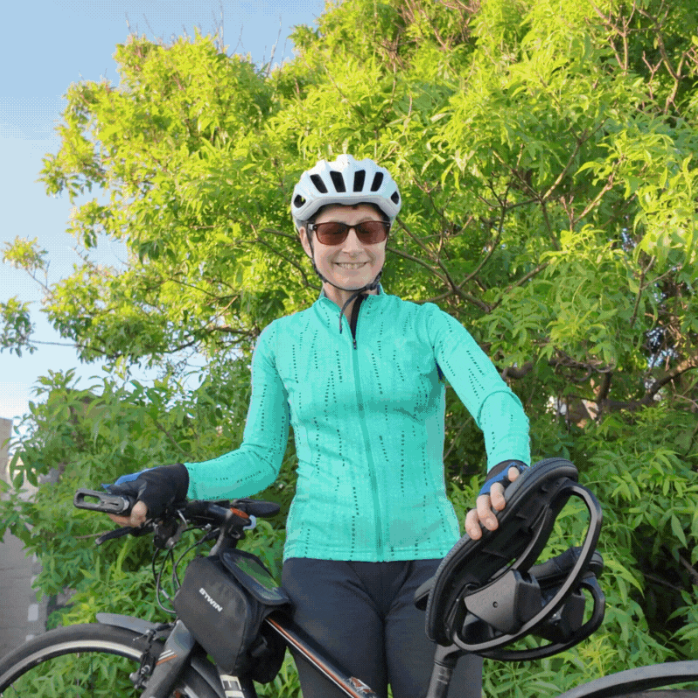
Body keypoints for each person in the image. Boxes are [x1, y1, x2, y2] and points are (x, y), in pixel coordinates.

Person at [107, 154, 530, 698]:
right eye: (334, 230)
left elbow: (494, 399)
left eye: (369, 229)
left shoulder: (428, 325)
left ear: (386, 238)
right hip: (323, 569)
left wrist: (507, 464)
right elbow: (260, 457)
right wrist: (175, 479)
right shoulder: (281, 341)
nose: (353, 246)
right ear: (307, 240)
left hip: (431, 561)